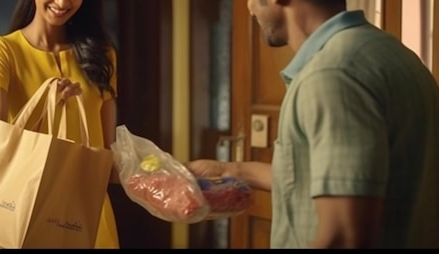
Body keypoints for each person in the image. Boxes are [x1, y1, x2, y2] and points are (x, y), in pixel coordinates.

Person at [187, 0, 439, 249]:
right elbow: (334, 179)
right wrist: (230, 170)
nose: (249, 7)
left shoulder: (332, 74)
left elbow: (343, 238)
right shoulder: (389, 52)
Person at [0, 0, 120, 249]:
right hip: (20, 216)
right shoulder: (0, 51)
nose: (63, 2)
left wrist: (176, 174)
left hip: (89, 220)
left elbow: (108, 156)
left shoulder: (102, 55)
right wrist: (45, 101)